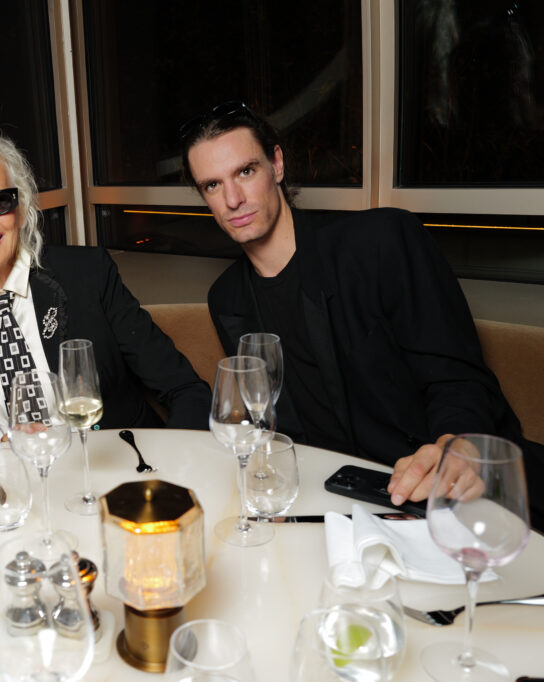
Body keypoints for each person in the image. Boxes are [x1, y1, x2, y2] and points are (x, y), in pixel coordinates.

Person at [179, 101, 543, 528]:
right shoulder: (227, 298)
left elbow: (458, 378)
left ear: (276, 164)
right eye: (213, 185)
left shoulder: (381, 240)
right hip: (341, 507)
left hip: (452, 493)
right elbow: (275, 425)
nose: (233, 199)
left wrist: (457, 445)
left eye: (245, 171)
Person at [0, 126, 211, 457]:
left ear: (20, 208)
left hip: (112, 466)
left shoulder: (88, 273)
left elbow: (186, 389)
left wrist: (170, 470)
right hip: (14, 482)